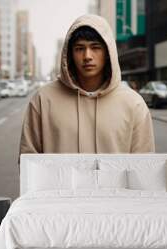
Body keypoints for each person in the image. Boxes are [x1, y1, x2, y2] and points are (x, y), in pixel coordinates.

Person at [19, 14, 155, 155]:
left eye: (95, 47)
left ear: (108, 52)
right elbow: (29, 163)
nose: (87, 56)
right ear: (69, 53)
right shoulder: (43, 100)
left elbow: (144, 167)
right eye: (79, 48)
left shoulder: (134, 104)